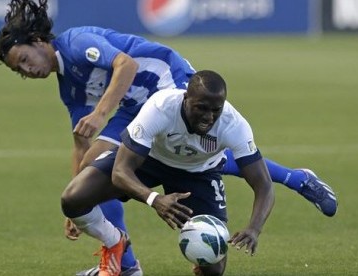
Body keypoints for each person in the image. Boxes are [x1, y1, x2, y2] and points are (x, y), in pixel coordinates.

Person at [0, 0, 337, 275]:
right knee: (95, 168)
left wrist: (100, 114)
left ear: (39, 42)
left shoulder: (75, 43)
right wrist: (80, 209)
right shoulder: (68, 86)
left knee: (200, 152)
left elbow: (125, 66)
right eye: (18, 70)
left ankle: (296, 178)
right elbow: (81, 144)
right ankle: (124, 265)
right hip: (132, 106)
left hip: (167, 84)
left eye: (24, 58)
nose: (27, 69)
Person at [61, 70, 275, 276]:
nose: (209, 117)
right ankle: (115, 241)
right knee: (73, 199)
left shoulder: (234, 125)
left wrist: (254, 229)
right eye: (201, 108)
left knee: (214, 267)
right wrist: (155, 199)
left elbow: (264, 185)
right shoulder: (161, 106)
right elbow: (120, 170)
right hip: (149, 160)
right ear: (185, 98)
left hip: (198, 174)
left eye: (215, 110)